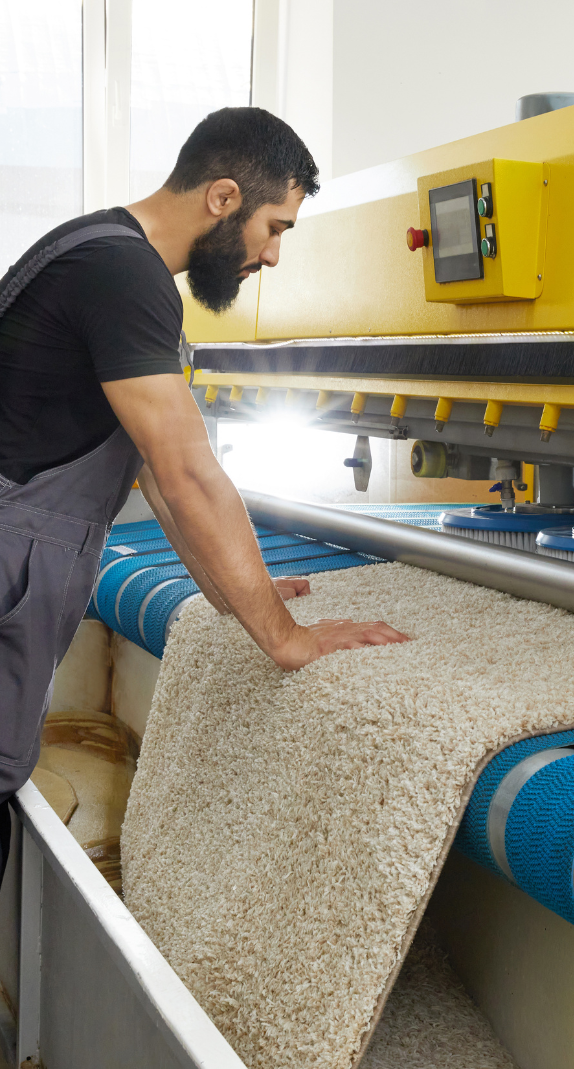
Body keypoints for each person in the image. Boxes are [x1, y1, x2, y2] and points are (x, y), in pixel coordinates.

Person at [0, 107, 408, 873]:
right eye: (276, 226)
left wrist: (235, 593)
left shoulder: (98, 250)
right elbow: (188, 474)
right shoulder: (124, 276)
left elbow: (153, 471)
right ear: (223, 198)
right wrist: (287, 641)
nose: (274, 255)